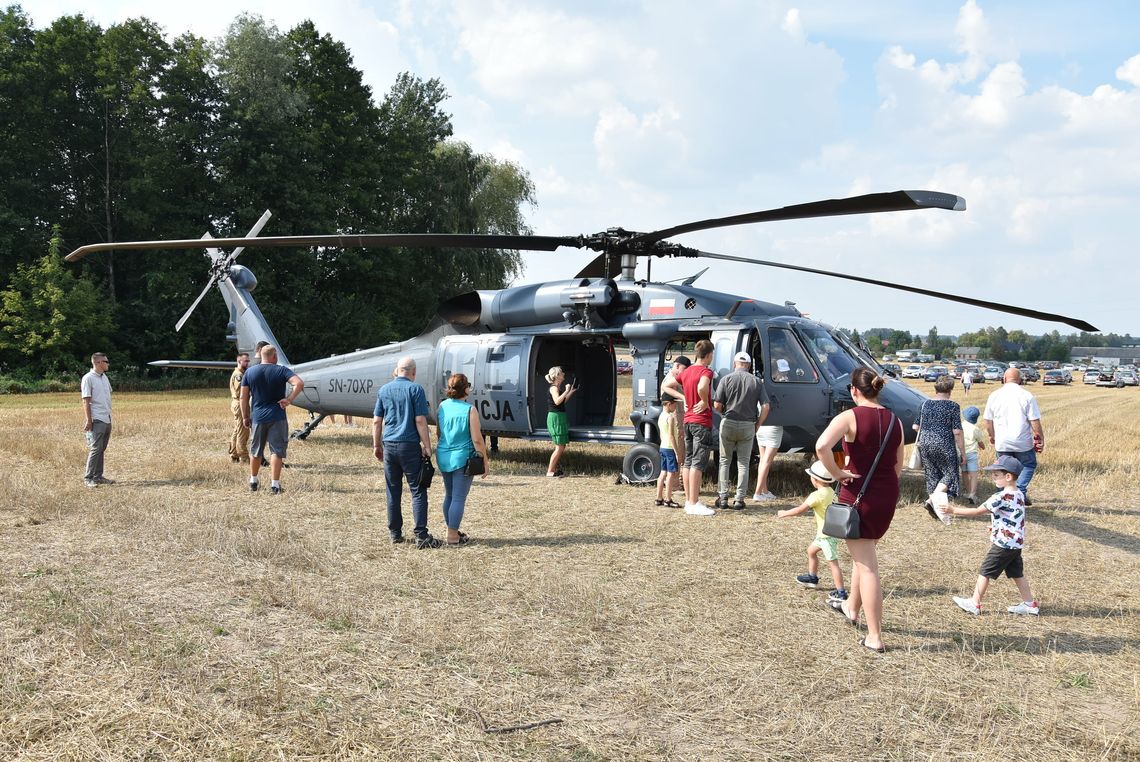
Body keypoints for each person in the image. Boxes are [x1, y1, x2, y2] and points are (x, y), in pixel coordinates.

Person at [815, 367, 904, 653]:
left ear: (854, 390)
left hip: (859, 496)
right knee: (863, 553)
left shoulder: (849, 416)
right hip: (886, 495)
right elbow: (898, 466)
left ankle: (875, 636)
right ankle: (852, 607)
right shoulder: (895, 421)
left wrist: (837, 473)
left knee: (867, 567)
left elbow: (821, 446)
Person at [946, 455, 1038, 616]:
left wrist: (953, 510)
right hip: (1015, 543)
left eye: (996, 475)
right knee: (1017, 574)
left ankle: (975, 603)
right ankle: (1030, 604)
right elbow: (1013, 516)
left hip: (1003, 544)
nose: (993, 477)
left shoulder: (1000, 497)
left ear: (1008, 477)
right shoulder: (1019, 494)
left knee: (985, 571)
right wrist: (996, 526)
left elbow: (977, 511)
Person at [374, 357, 440, 548]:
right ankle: (421, 534)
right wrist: (427, 446)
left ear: (397, 370)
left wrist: (376, 445)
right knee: (417, 490)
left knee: (393, 490)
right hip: (409, 445)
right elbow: (420, 420)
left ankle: (395, 533)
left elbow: (377, 421)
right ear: (413, 372)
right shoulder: (415, 389)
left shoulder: (384, 390)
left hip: (389, 445)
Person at [777, 460, 846, 602]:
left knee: (833, 563)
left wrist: (784, 513)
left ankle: (841, 592)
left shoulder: (816, 495)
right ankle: (812, 577)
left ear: (814, 479)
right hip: (827, 533)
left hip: (826, 536)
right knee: (811, 551)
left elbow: (800, 510)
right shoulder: (831, 492)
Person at [240, 344, 304, 495]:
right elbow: (299, 383)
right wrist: (289, 399)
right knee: (277, 450)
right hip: (277, 416)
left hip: (258, 417)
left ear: (261, 356)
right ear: (274, 356)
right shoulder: (281, 370)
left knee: (256, 450)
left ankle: (253, 480)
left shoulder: (249, 372)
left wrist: (245, 416)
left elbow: (243, 397)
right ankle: (275, 484)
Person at [435, 373, 488, 545]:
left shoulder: (442, 407)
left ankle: (453, 530)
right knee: (458, 497)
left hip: (443, 456)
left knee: (449, 495)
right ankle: (452, 536)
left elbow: (439, 433)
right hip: (462, 458)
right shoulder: (469, 410)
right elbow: (477, 439)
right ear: (465, 389)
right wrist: (485, 461)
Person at [713, 351, 770, 509]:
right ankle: (739, 499)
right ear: (749, 366)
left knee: (724, 461)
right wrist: (758, 424)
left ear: (734, 364)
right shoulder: (757, 381)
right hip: (748, 425)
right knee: (743, 463)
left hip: (729, 422)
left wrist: (723, 413)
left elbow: (717, 405)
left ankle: (723, 497)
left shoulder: (726, 379)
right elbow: (766, 406)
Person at [983, 368, 1044, 505]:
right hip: (1022, 442)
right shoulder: (1027, 395)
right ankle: (1019, 492)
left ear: (1004, 379)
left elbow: (987, 420)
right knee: (1028, 465)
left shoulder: (994, 395)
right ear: (1020, 380)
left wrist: (992, 436)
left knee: (1004, 469)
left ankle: (1003, 495)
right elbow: (1034, 420)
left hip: (1002, 441)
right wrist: (1040, 438)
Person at [915, 375, 965, 522]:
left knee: (932, 475)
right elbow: (957, 431)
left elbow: (915, 426)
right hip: (944, 444)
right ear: (950, 390)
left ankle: (938, 510)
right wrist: (962, 452)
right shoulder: (953, 406)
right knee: (951, 473)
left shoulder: (924, 404)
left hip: (925, 443)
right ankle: (932, 501)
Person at [677, 340, 716, 516]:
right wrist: (705, 401)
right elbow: (702, 386)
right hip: (701, 421)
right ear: (708, 355)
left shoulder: (686, 372)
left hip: (688, 421)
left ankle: (688, 500)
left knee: (688, 461)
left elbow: (669, 383)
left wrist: (685, 399)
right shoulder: (706, 371)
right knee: (698, 463)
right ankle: (694, 502)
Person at [81, 352, 114, 487]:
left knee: (102, 448)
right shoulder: (88, 378)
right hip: (97, 419)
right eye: (106, 361)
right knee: (95, 449)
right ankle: (88, 478)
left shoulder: (104, 377)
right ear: (99, 363)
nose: (107, 363)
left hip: (107, 418)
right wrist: (89, 420)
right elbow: (86, 401)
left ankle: (98, 476)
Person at [659, 355, 691, 492]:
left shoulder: (675, 378)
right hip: (674, 422)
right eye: (684, 369)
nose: (684, 373)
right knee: (678, 450)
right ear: (677, 366)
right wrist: (683, 397)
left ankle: (677, 483)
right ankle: (675, 485)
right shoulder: (670, 380)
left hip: (677, 421)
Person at [545, 366, 578, 477]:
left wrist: (571, 392)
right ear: (557, 376)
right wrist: (567, 390)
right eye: (561, 373)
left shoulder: (557, 388)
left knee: (561, 446)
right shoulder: (553, 388)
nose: (563, 374)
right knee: (559, 447)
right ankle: (550, 471)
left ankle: (552, 470)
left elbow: (563, 401)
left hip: (559, 416)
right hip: (556, 417)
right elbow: (557, 401)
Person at [654, 396, 683, 508]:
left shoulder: (661, 416)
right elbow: (671, 436)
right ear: (668, 404)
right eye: (674, 404)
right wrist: (676, 452)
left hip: (663, 447)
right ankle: (668, 499)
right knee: (670, 474)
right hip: (670, 448)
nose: (675, 406)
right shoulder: (670, 417)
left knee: (663, 473)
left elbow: (662, 434)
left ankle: (658, 498)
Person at [961, 406, 987, 504]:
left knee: (964, 473)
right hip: (972, 454)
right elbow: (980, 442)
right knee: (973, 475)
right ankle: (972, 493)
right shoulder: (975, 429)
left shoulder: (960, 426)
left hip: (961, 453)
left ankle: (968, 492)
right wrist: (983, 447)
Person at [228, 352, 251, 463]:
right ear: (239, 361)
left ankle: (234, 454)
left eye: (248, 361)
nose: (247, 363)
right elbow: (242, 393)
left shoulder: (239, 373)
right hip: (241, 403)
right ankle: (244, 457)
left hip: (237, 403)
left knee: (237, 430)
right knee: (243, 432)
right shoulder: (239, 375)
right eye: (245, 361)